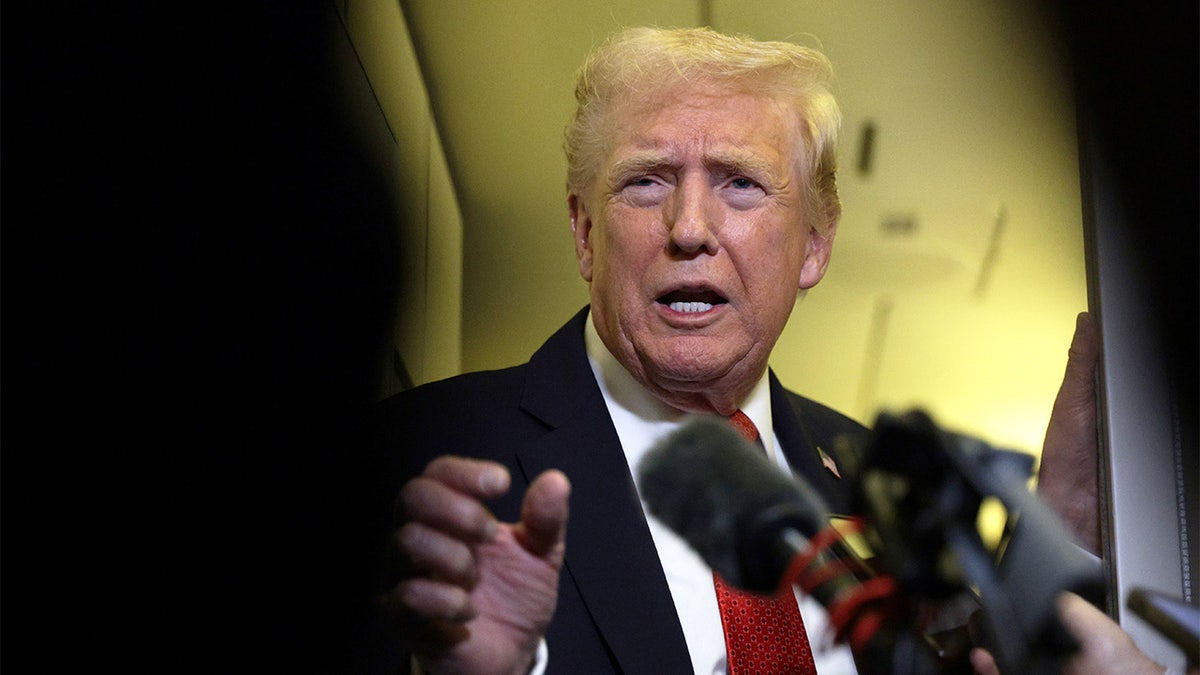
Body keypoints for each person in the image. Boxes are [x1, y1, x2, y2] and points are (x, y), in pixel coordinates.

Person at [377, 26, 1165, 675]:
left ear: (815, 246)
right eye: (646, 182)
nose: (689, 228)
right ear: (586, 233)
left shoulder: (883, 485)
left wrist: (1065, 539)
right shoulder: (415, 456)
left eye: (740, 184)